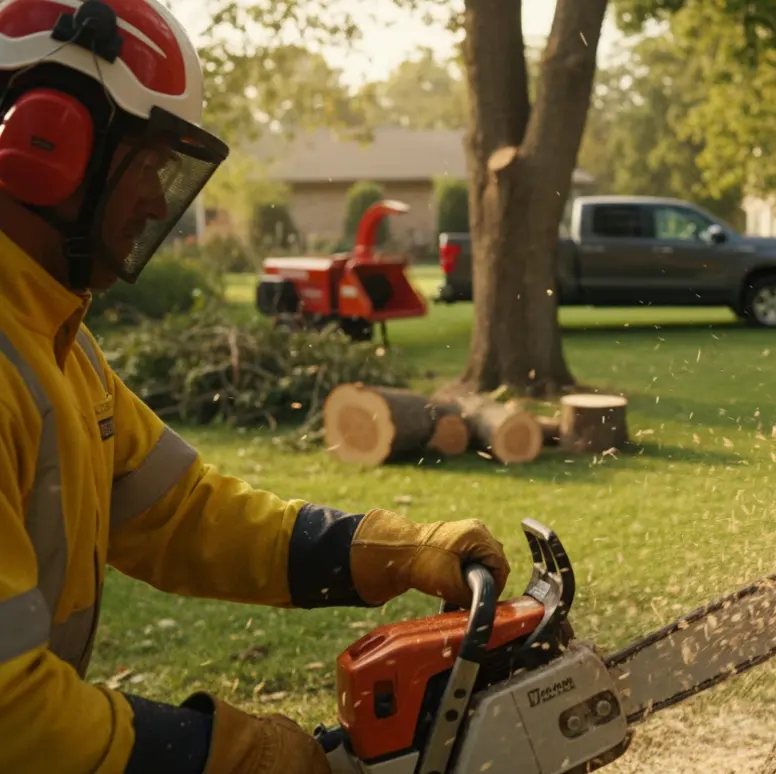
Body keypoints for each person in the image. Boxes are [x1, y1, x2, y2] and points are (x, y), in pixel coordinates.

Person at [0, 1, 512, 772]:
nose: (154, 202)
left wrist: (389, 551)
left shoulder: (54, 342)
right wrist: (233, 758)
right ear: (49, 143)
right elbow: (13, 714)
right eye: (151, 164)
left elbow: (181, 513)